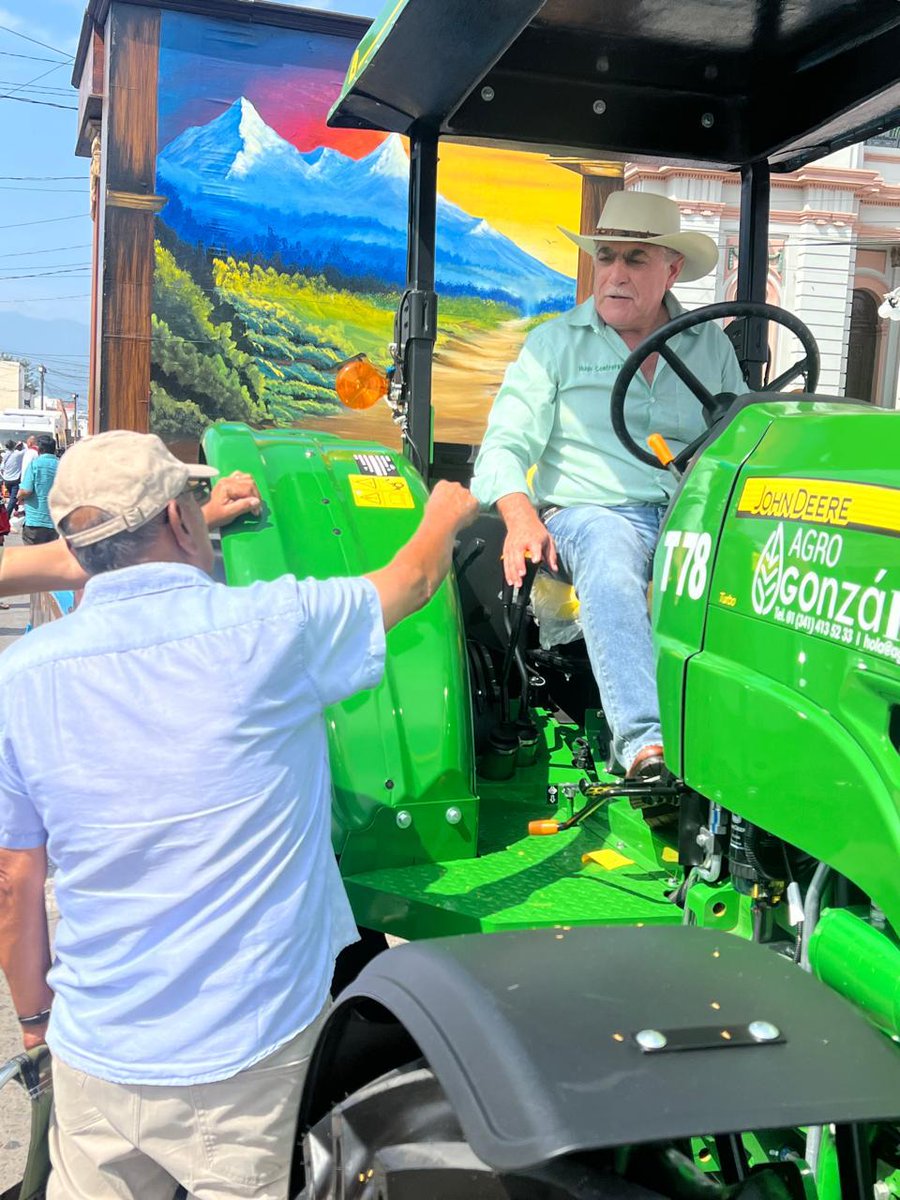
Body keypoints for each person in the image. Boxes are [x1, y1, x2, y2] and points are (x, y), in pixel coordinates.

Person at [0, 430, 476, 1200]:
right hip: (241, 1052)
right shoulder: (271, 630)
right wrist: (447, 509)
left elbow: (16, 877)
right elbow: (413, 580)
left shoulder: (20, 677)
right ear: (183, 522)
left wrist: (33, 1023)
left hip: (94, 1050)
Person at [471, 191, 745, 782]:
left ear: (672, 269)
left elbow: (734, 442)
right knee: (608, 543)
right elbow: (503, 447)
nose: (616, 275)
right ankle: (647, 746)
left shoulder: (711, 346)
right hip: (585, 514)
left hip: (685, 514)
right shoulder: (555, 345)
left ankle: (757, 741)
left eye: (636, 259)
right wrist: (520, 517)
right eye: (608, 257)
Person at [18, 434, 60, 545]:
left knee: (33, 558)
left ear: (39, 449)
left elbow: (26, 490)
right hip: (54, 522)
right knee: (49, 558)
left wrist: (19, 497)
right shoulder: (62, 465)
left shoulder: (35, 464)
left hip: (35, 521)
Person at [1, 440, 25, 516]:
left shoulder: (4, 455)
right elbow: (27, 450)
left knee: (12, 497)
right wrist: (22, 444)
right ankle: (6, 516)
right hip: (15, 480)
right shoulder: (17, 454)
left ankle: (16, 509)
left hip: (6, 480)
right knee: (13, 499)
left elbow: (2, 467)